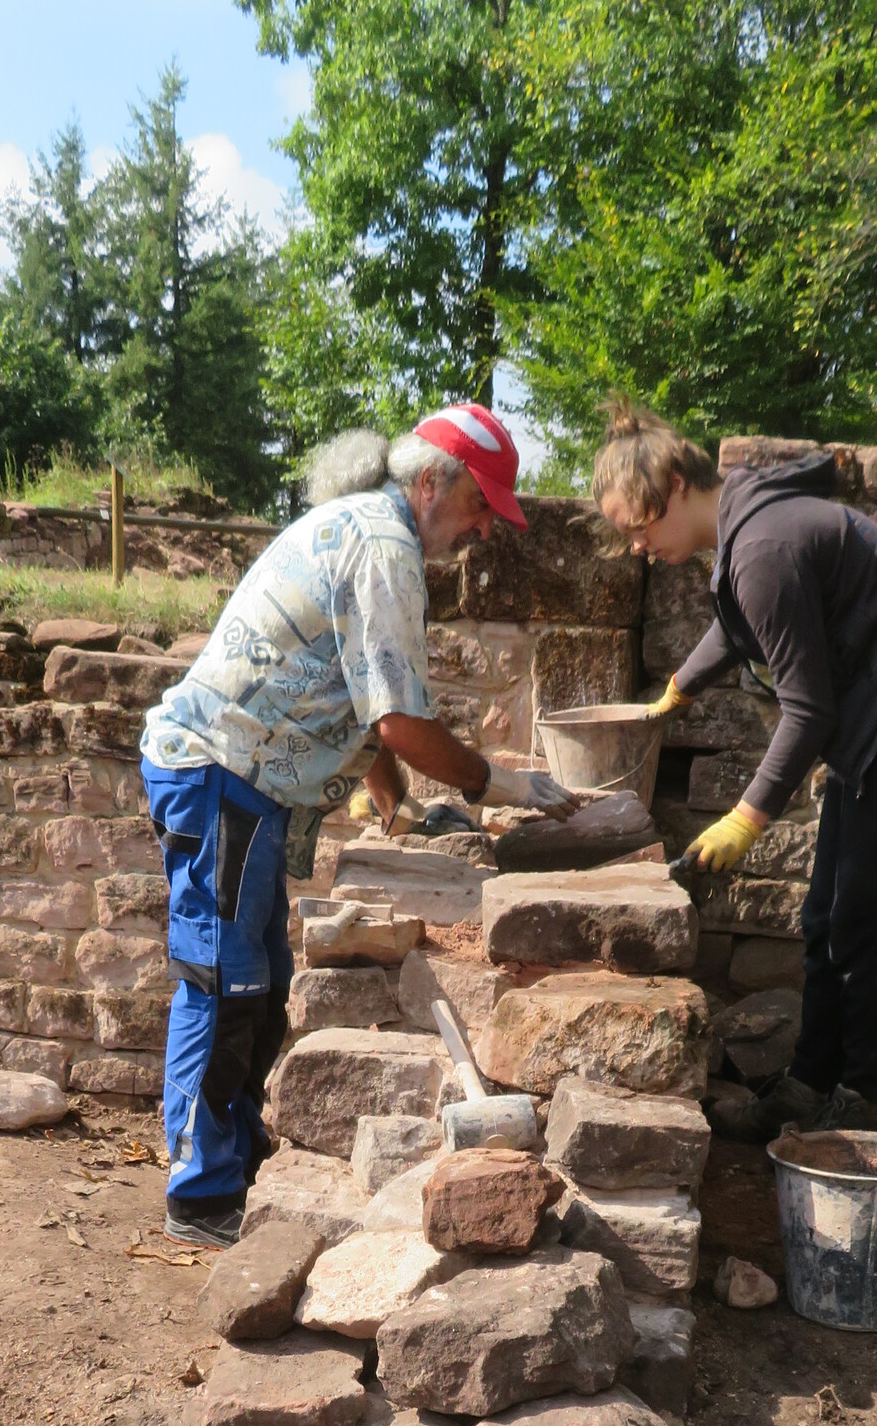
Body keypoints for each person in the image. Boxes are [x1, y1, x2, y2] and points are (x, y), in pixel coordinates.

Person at [141, 403, 577, 1246]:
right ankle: (199, 1195)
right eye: (480, 505)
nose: (485, 528)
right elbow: (399, 723)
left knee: (259, 983)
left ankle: (236, 1160)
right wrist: (501, 784)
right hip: (218, 776)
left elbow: (356, 696)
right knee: (224, 984)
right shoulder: (384, 547)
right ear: (431, 482)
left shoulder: (373, 529)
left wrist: (396, 807)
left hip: (239, 782)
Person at [593, 407, 877, 1131]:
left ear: (676, 484)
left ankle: (860, 1103)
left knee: (871, 907)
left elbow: (809, 712)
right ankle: (809, 1086)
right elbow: (737, 625)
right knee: (827, 912)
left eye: (639, 526)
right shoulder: (748, 532)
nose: (638, 547)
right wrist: (676, 690)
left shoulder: (764, 546)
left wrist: (744, 820)